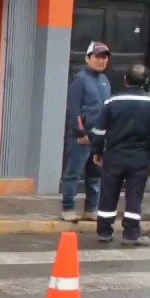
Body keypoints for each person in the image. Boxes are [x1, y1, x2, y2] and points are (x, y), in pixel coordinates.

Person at [90, 64, 150, 247]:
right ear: (146, 81)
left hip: (114, 156)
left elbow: (99, 130)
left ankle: (103, 231)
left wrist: (97, 151)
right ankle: (131, 234)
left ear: (125, 79)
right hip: (140, 159)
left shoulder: (112, 101)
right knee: (135, 195)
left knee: (108, 193)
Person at [62, 41, 112, 222]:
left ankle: (91, 208)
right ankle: (68, 208)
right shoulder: (80, 79)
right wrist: (80, 132)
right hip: (81, 138)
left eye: (104, 57)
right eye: (97, 57)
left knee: (95, 175)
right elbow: (73, 109)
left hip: (99, 137)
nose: (101, 61)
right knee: (73, 173)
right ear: (87, 58)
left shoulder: (105, 81)